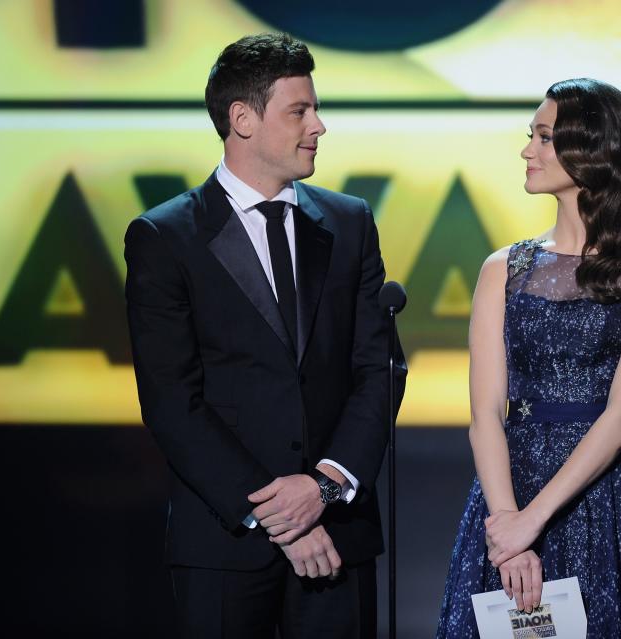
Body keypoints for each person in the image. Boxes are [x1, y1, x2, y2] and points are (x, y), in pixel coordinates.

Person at [124, 33, 403, 638]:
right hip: (226, 542)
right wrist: (281, 515)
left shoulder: (350, 221)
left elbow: (379, 369)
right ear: (242, 119)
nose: (319, 126)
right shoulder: (165, 236)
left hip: (340, 534)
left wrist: (325, 487)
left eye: (316, 108)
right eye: (300, 111)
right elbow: (173, 401)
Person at [436, 78, 621, 638]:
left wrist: (533, 521)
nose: (527, 150)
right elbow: (484, 413)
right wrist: (506, 525)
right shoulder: (505, 266)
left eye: (543, 138)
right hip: (507, 491)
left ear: (592, 151)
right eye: (532, 136)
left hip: (599, 502)